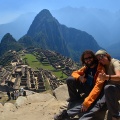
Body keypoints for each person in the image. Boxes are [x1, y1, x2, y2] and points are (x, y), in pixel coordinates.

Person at [54, 50, 106, 120]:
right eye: (86, 59)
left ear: (94, 58)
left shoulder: (100, 70)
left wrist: (87, 102)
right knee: (70, 80)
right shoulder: (86, 68)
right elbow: (74, 73)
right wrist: (79, 77)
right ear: (84, 60)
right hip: (86, 87)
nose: (88, 60)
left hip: (94, 91)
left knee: (88, 104)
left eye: (90, 57)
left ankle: (67, 114)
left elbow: (97, 88)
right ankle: (74, 99)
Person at [95, 49, 120, 120]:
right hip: (114, 89)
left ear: (107, 55)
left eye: (101, 57)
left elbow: (119, 76)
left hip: (117, 88)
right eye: (98, 59)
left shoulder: (115, 63)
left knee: (108, 88)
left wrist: (107, 77)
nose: (100, 60)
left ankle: (116, 115)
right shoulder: (104, 65)